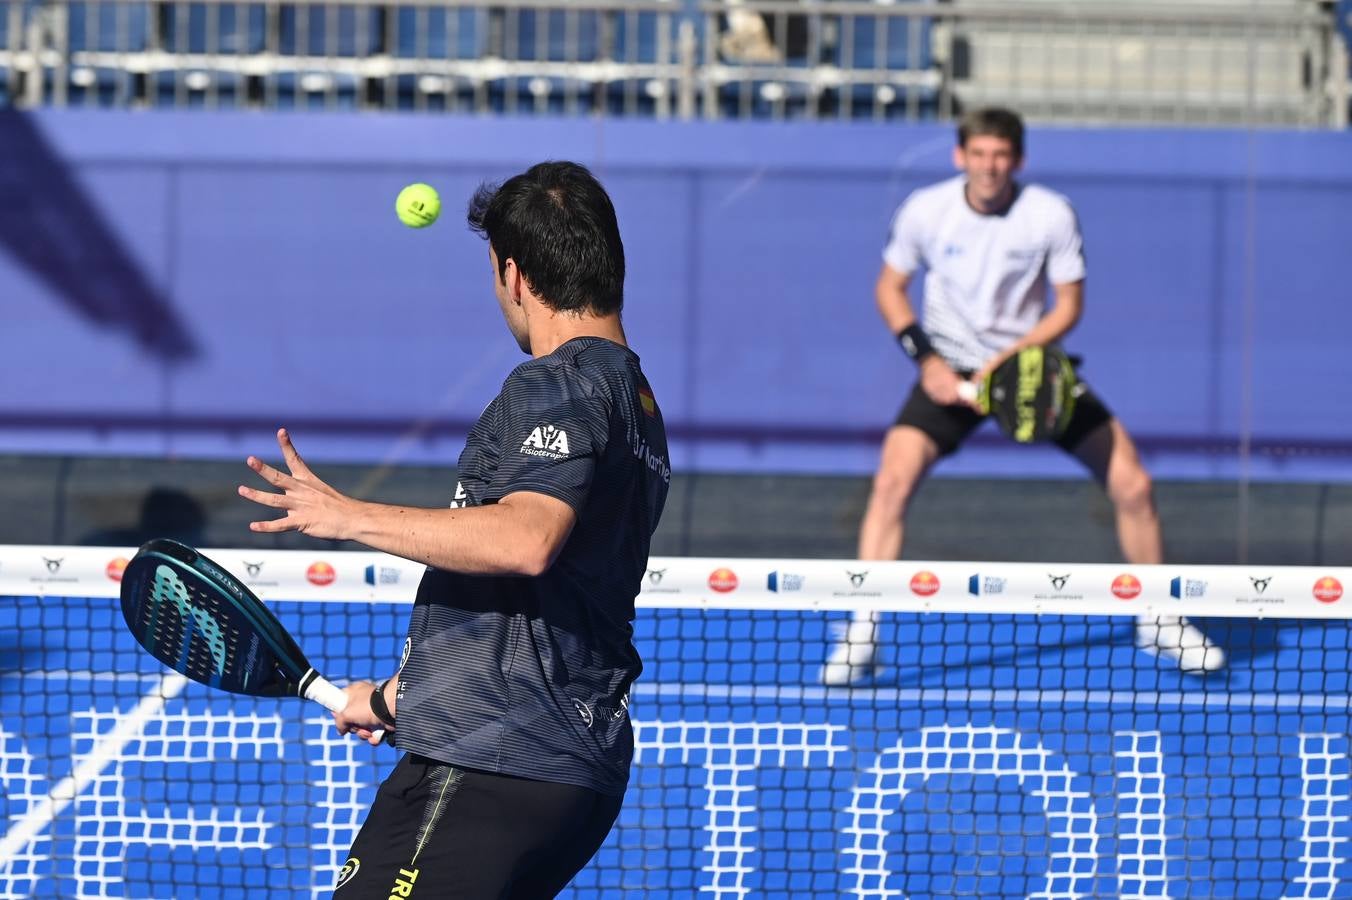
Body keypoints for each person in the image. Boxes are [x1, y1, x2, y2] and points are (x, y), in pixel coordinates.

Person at [237, 161, 671, 898]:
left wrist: (347, 516)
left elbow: (524, 542)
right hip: (559, 766)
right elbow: (538, 613)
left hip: (492, 762)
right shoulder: (636, 401)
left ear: (515, 274)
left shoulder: (557, 381)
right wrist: (390, 699)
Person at [821, 107, 1224, 686]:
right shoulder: (925, 211)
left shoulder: (1049, 214)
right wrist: (928, 361)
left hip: (1033, 372)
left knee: (1133, 483)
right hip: (950, 371)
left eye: (1001, 156)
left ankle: (1159, 616)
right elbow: (891, 288)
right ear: (961, 157)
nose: (990, 167)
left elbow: (1069, 307)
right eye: (979, 155)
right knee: (891, 483)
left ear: (1018, 160)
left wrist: (1009, 366)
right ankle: (865, 629)